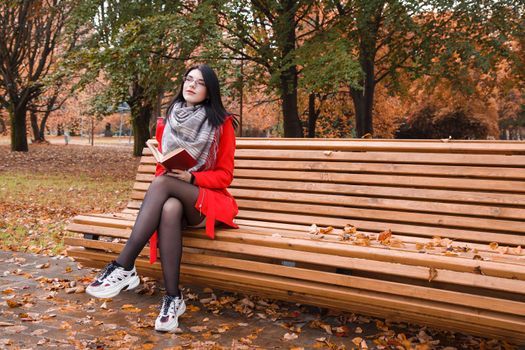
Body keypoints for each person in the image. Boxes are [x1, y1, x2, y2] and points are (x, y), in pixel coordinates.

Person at [85, 64, 239, 332]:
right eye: (188, 79)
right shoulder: (168, 121)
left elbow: (225, 176)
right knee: (168, 208)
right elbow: (162, 169)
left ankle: (124, 265)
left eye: (199, 83)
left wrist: (192, 178)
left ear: (209, 91)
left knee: (163, 183)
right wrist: (169, 168)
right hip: (175, 198)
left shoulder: (221, 124)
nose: (191, 85)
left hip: (206, 201)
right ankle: (172, 298)